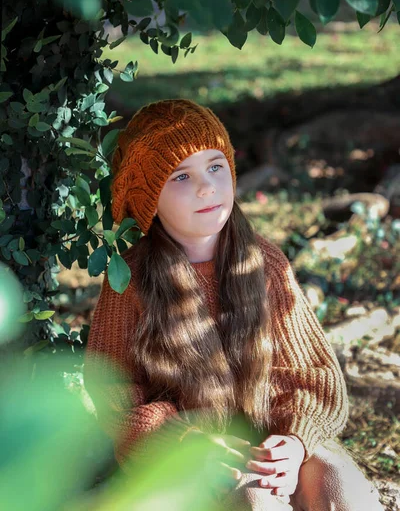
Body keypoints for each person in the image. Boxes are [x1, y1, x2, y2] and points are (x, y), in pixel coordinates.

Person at [83, 99, 383, 510]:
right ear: (148, 195)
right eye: (181, 175)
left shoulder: (265, 264)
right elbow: (112, 388)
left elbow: (313, 373)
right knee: (253, 499)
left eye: (215, 166)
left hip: (270, 438)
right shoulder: (129, 280)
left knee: (338, 485)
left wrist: (294, 441)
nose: (206, 186)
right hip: (192, 453)